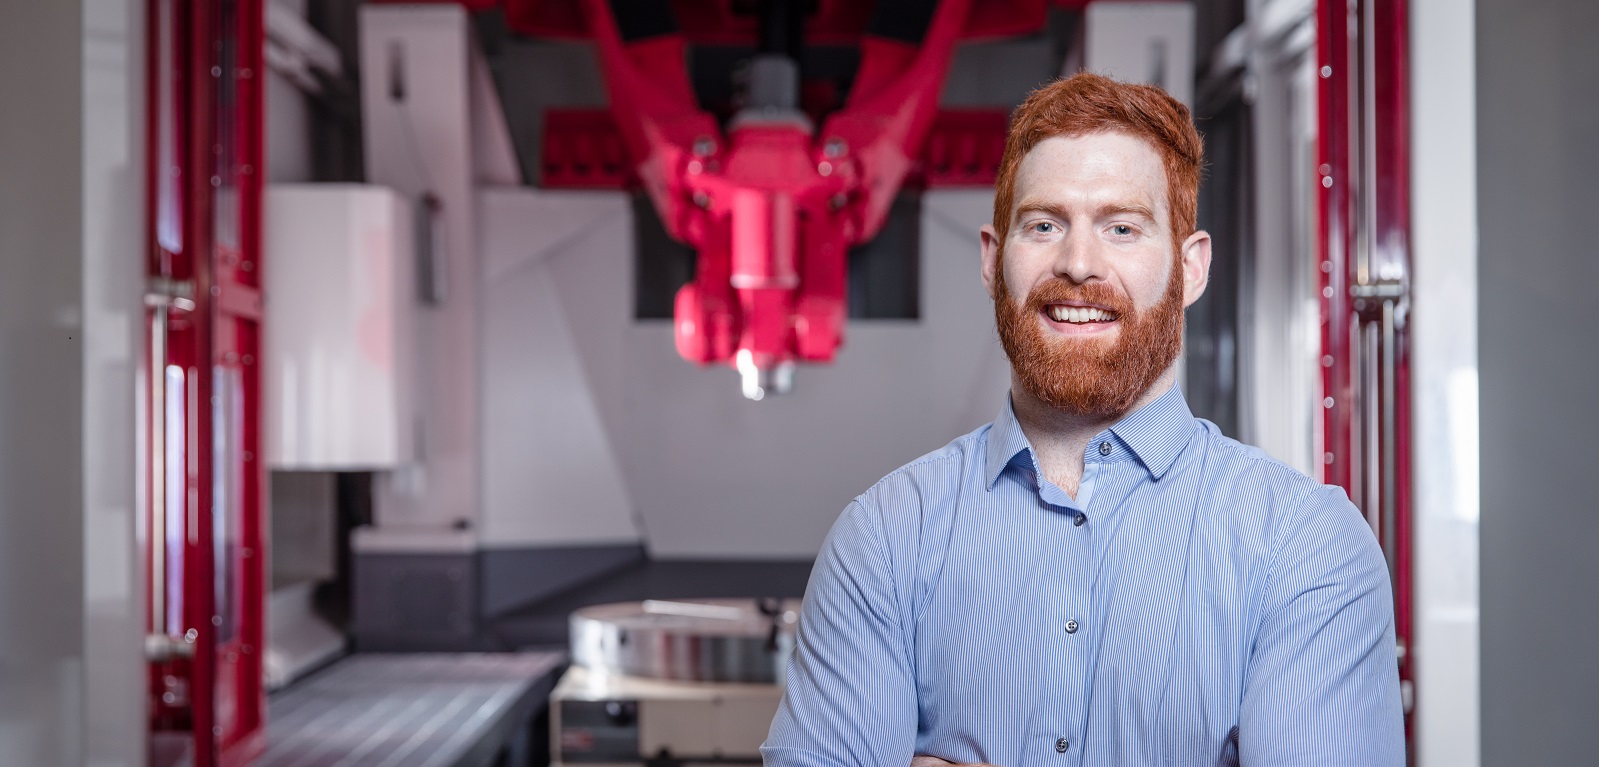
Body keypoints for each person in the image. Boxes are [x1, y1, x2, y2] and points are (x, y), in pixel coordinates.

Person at [760, 73, 1405, 767]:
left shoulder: (1304, 546)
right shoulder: (884, 539)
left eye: (1121, 228)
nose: (1076, 264)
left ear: (1190, 270)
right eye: (1043, 225)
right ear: (990, 258)